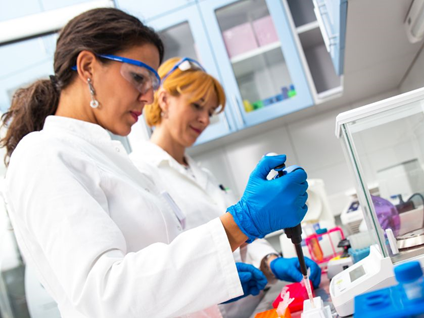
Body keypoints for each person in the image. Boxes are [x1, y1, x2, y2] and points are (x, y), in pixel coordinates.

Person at [0, 8, 308, 318]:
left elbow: (157, 273)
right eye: (138, 78)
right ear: (88, 67)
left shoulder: (107, 157)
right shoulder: (44, 154)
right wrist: (238, 224)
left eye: (152, 82)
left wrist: (214, 278)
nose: (149, 96)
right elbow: (104, 297)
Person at [129, 57, 321, 315]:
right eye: (197, 106)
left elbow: (238, 235)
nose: (205, 119)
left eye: (209, 112)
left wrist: (271, 262)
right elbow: (161, 271)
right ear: (164, 100)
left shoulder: (202, 174)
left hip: (254, 307)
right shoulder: (139, 173)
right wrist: (210, 285)